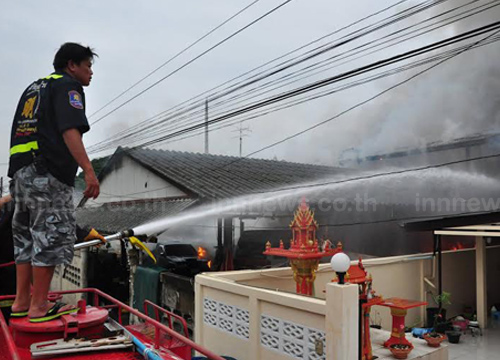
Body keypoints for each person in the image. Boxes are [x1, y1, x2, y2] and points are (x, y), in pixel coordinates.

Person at [7, 43, 100, 322]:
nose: (91, 72)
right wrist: (88, 170)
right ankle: (39, 306)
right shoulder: (68, 87)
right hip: (46, 175)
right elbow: (69, 130)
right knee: (49, 236)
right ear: (72, 65)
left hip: (21, 175)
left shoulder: (34, 88)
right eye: (88, 66)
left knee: (25, 237)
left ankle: (22, 302)